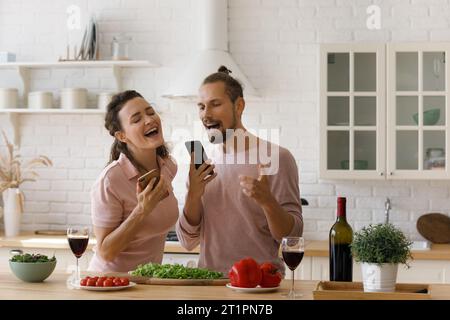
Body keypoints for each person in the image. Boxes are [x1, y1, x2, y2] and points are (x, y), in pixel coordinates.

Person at [176, 66, 303, 274]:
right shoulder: (202, 163)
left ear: (239, 106)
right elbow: (187, 242)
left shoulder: (277, 158)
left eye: (215, 104)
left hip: (261, 285)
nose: (206, 114)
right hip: (210, 283)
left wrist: (267, 202)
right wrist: (194, 194)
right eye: (201, 106)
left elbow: (292, 237)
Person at [88, 90, 179, 272]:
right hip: (111, 285)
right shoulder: (111, 180)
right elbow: (105, 252)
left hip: (146, 284)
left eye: (150, 112)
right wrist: (142, 210)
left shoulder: (167, 166)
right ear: (122, 136)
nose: (149, 120)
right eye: (136, 119)